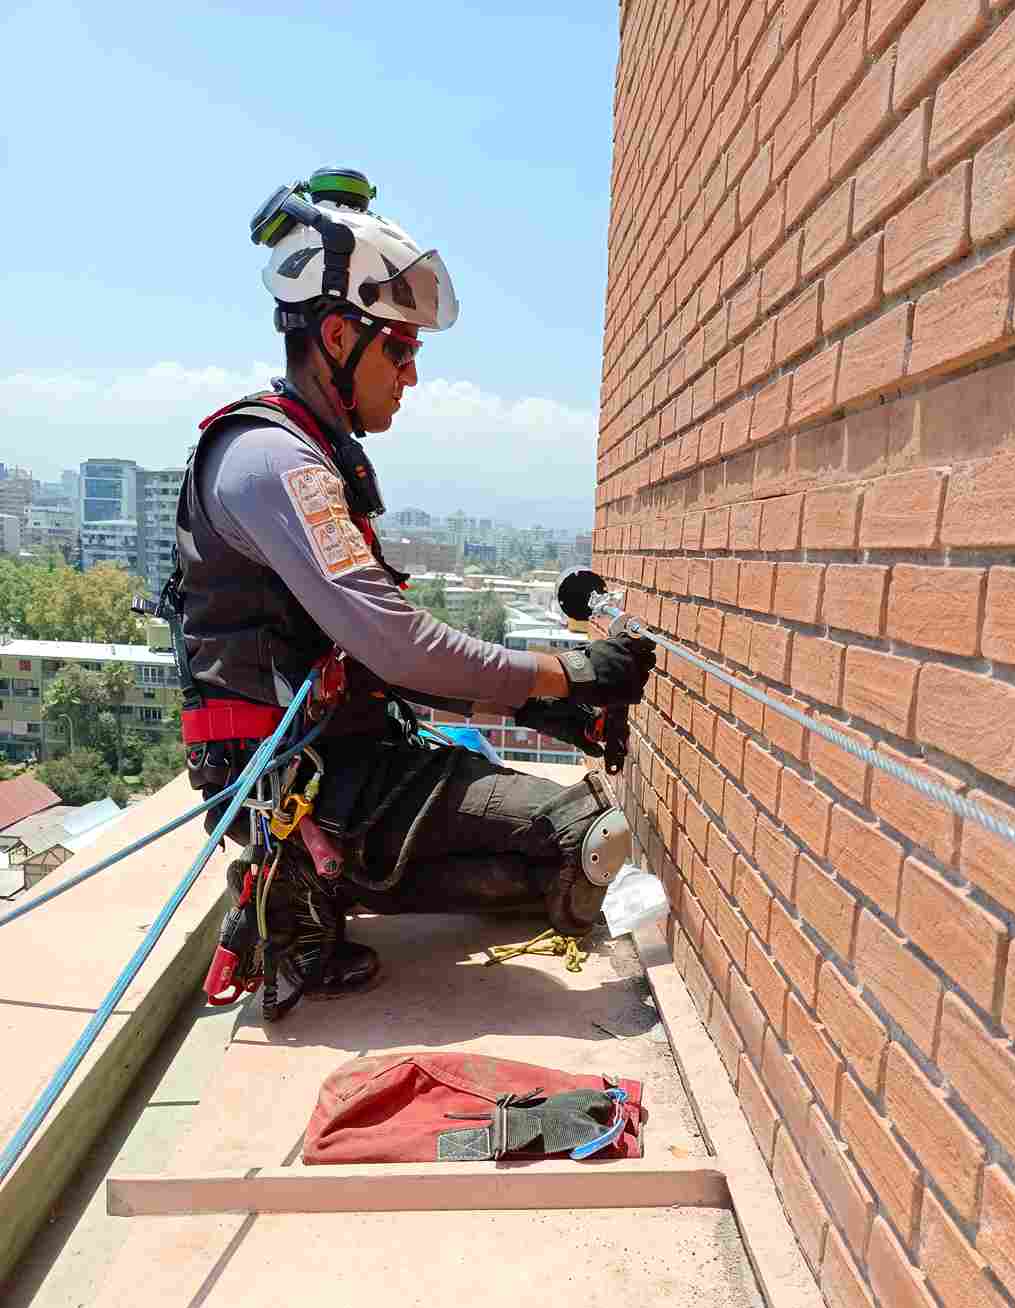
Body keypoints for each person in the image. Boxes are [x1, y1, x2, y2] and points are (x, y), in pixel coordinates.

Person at [171, 168, 655, 1020]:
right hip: (307, 785)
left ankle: (311, 887)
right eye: (398, 350)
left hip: (351, 762)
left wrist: (534, 708)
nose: (411, 375)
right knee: (589, 842)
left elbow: (370, 655)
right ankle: (296, 891)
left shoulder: (314, 456)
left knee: (550, 866)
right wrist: (568, 675)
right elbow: (397, 643)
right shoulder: (275, 463)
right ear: (333, 336)